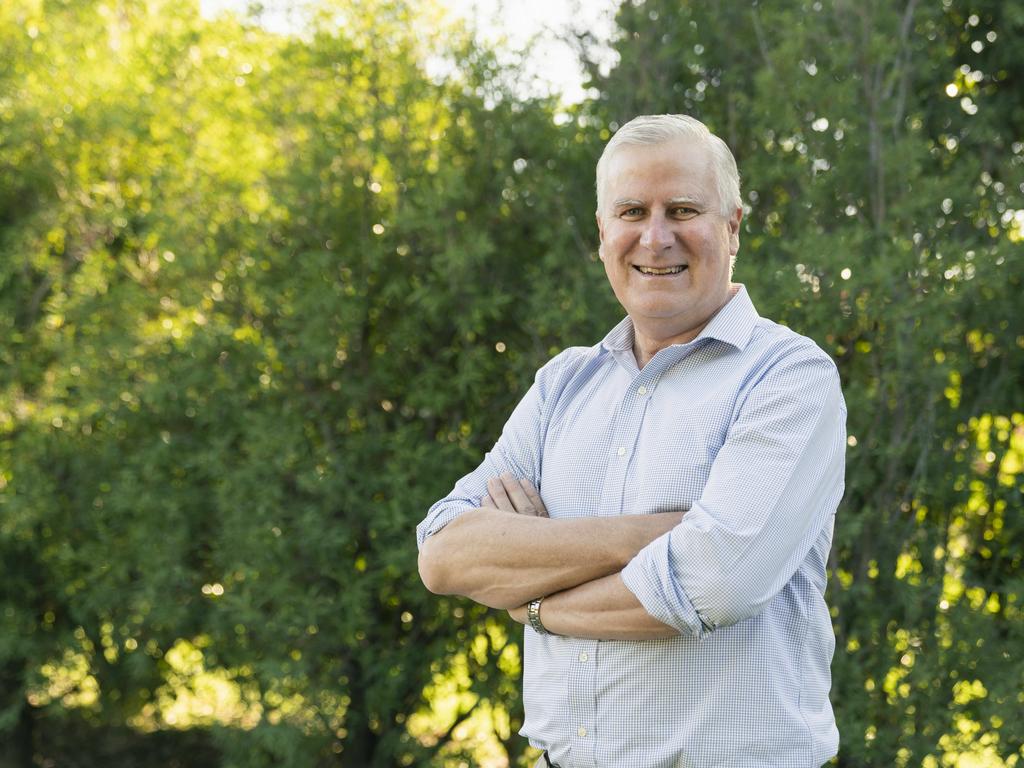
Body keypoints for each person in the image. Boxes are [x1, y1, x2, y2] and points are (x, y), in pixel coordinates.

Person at [416, 114, 846, 768]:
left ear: (732, 226)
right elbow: (444, 553)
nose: (655, 236)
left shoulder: (788, 377)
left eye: (682, 209)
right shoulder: (564, 382)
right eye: (631, 211)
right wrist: (653, 534)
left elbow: (715, 582)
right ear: (602, 232)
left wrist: (532, 600)